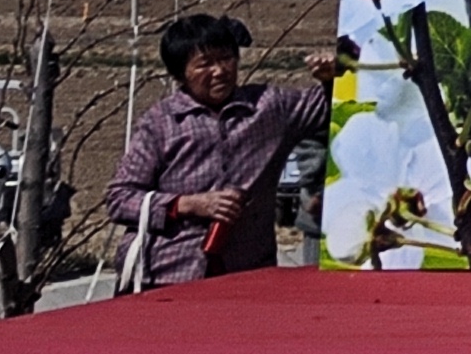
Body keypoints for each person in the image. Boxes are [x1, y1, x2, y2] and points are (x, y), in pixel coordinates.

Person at [103, 19, 337, 286]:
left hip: (247, 272)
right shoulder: (160, 123)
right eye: (204, 64)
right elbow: (120, 199)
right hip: (167, 273)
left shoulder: (270, 108)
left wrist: (333, 78)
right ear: (180, 74)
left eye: (226, 59)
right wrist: (188, 204)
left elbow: (334, 106)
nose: (219, 71)